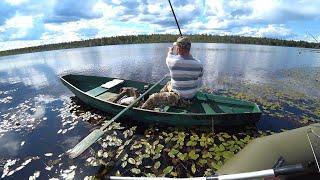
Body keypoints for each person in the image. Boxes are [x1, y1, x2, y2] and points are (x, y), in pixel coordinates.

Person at [141, 36, 203, 110]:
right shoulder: (199, 64)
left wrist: (170, 50)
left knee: (152, 98)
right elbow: (199, 75)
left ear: (178, 49)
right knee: (169, 83)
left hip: (180, 99)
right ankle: (161, 98)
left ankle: (142, 109)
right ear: (189, 48)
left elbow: (169, 55)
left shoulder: (172, 62)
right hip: (191, 97)